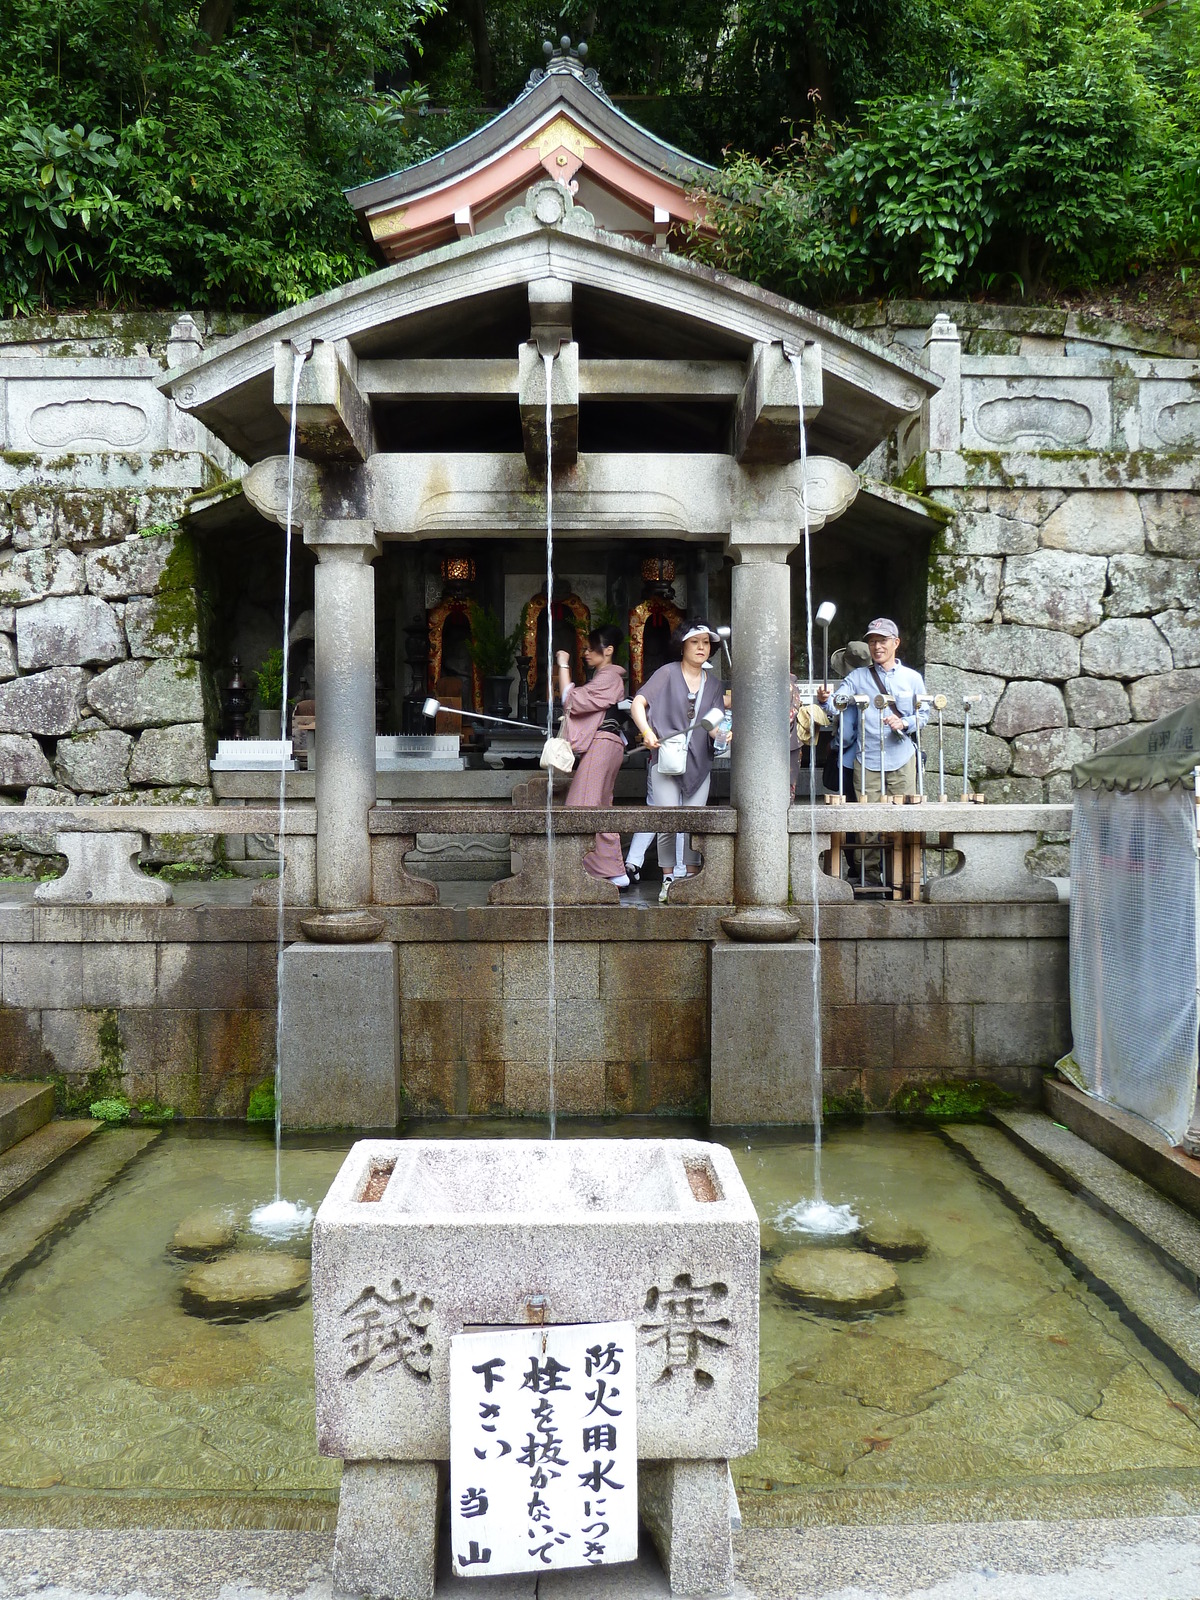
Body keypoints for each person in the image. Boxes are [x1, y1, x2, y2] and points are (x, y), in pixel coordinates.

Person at [625, 619, 728, 903]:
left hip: (700, 759)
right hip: (666, 757)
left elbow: (713, 724)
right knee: (667, 819)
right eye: (695, 642)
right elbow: (638, 703)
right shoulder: (666, 673)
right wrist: (646, 732)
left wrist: (723, 734)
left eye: (706, 643)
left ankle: (693, 879)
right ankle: (669, 878)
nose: (701, 648)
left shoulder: (715, 684)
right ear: (682, 646)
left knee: (694, 821)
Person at [556, 625, 629, 887]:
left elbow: (572, 700)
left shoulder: (609, 677)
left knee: (582, 806)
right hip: (606, 744)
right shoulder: (605, 677)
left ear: (608, 651)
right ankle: (611, 870)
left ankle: (589, 869)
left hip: (602, 743)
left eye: (590, 648)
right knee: (597, 807)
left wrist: (563, 665)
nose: (585, 653)